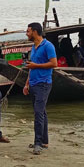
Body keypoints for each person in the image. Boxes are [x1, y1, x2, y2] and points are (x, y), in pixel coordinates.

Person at [23, 22, 57, 155]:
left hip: (44, 83)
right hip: (33, 83)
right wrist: (26, 84)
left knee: (38, 113)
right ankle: (44, 141)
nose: (27, 34)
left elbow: (53, 63)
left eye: (28, 31)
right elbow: (31, 66)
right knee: (41, 112)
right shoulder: (34, 47)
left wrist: (36, 66)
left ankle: (38, 143)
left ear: (35, 32)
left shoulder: (48, 46)